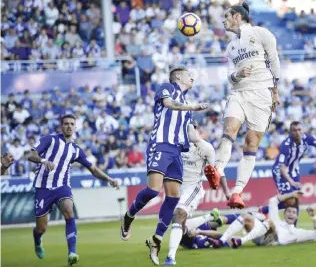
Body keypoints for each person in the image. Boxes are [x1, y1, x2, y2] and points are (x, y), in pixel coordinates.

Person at [119, 67, 209, 265]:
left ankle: (156, 240)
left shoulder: (186, 103)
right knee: (152, 190)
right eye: (188, 74)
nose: (192, 76)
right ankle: (129, 215)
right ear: (178, 76)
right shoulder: (167, 87)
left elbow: (192, 135)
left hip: (176, 151)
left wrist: (209, 148)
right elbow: (168, 104)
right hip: (161, 144)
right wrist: (193, 107)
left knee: (173, 197)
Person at [204, 2, 281, 209]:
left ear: (237, 17)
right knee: (229, 130)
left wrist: (275, 92)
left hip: (261, 93)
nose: (224, 21)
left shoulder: (261, 33)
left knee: (251, 144)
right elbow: (230, 76)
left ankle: (237, 192)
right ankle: (217, 170)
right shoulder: (230, 47)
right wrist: (237, 75)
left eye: (226, 17)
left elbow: (274, 62)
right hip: (239, 92)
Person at [28, 114, 120, 266]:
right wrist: (44, 160)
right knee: (41, 228)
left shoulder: (76, 150)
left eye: (72, 124)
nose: (69, 126)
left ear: (75, 127)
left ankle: (72, 252)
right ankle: (37, 238)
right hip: (42, 187)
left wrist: (109, 179)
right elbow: (31, 155)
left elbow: (93, 169)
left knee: (69, 209)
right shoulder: (49, 140)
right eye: (66, 124)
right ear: (61, 126)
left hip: (62, 186)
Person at [163, 121, 217, 265]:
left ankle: (170, 257)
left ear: (195, 129)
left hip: (192, 188)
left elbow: (215, 172)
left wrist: (214, 179)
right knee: (180, 225)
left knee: (179, 214)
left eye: (189, 128)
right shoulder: (173, 145)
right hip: (176, 187)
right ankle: (209, 217)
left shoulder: (205, 148)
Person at [210, 190, 316, 248]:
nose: (291, 214)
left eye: (294, 212)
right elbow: (274, 201)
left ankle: (240, 241)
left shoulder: (298, 232)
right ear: (284, 213)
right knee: (245, 217)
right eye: (289, 211)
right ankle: (222, 241)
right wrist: (291, 194)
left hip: (272, 240)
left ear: (297, 216)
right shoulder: (277, 220)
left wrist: (313, 217)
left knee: (268, 222)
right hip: (260, 235)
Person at [259, 121, 316, 219]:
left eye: (299, 130)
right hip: (280, 172)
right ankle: (264, 210)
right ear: (290, 132)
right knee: (289, 200)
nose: (297, 133)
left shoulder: (307, 138)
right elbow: (282, 167)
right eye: (294, 130)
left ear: (303, 130)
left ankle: (292, 229)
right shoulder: (286, 145)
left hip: (294, 170)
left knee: (295, 200)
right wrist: (292, 182)